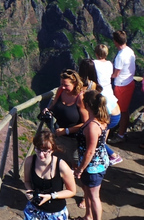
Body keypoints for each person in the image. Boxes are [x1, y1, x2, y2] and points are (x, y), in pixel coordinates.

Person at [23, 130, 76, 220]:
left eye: (45, 151)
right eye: (38, 149)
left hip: (54, 213)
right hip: (34, 210)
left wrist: (51, 196)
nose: (41, 155)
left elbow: (72, 191)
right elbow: (27, 181)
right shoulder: (30, 161)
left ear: (52, 149)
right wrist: (30, 191)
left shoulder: (61, 165)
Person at [74, 90, 110, 220]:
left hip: (92, 166)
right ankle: (88, 217)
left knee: (94, 196)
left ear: (87, 104)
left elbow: (90, 151)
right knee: (88, 192)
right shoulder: (102, 119)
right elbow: (104, 136)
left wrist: (80, 169)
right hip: (99, 161)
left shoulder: (92, 126)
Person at [79, 59, 122, 166]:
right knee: (100, 137)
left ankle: (113, 156)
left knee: (97, 138)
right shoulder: (95, 83)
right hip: (115, 111)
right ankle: (107, 156)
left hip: (110, 115)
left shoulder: (86, 85)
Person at [43, 69, 89, 168]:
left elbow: (86, 123)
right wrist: (48, 109)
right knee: (56, 163)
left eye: (66, 85)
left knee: (73, 165)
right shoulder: (60, 91)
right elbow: (53, 105)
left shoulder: (80, 98)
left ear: (75, 83)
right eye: (61, 84)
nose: (63, 87)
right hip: (57, 135)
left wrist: (66, 131)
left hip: (74, 140)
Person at [109, 30, 136, 143]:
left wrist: (107, 74)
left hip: (122, 85)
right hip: (129, 82)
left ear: (115, 42)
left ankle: (120, 136)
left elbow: (116, 74)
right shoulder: (129, 50)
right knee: (125, 109)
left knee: (121, 111)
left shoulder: (120, 56)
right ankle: (123, 131)